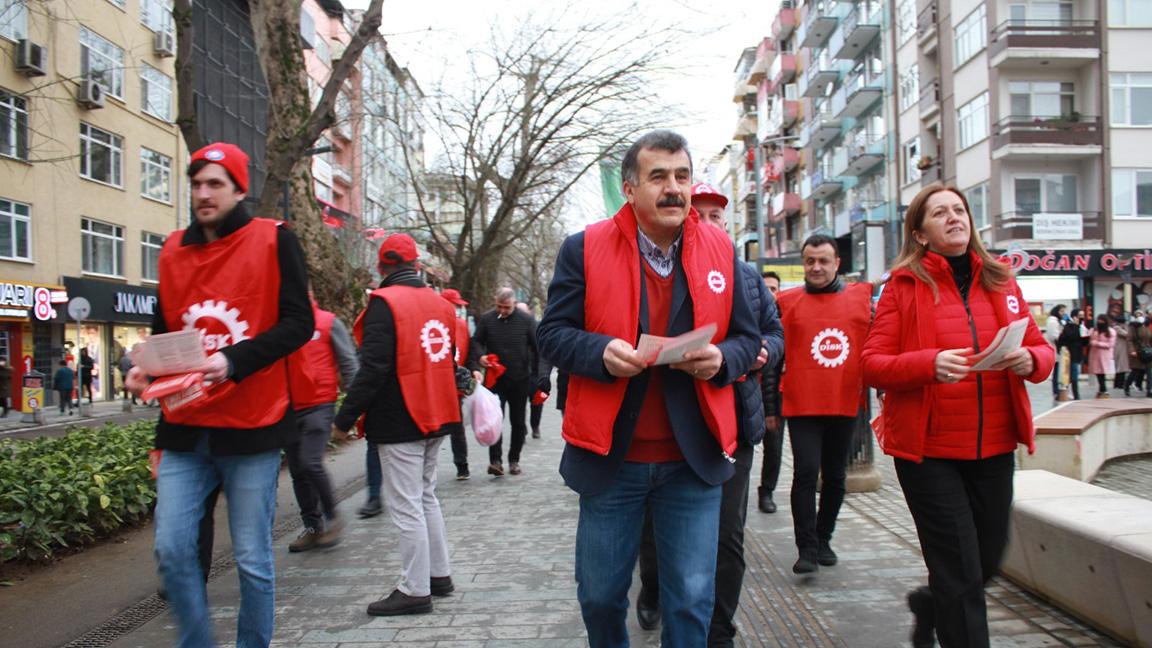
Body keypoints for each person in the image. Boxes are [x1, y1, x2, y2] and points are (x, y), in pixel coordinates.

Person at [537, 130, 761, 647]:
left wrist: (722, 360)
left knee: (691, 599)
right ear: (630, 187)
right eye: (658, 176)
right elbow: (551, 334)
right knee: (599, 595)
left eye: (681, 176)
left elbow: (750, 338)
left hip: (694, 458)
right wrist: (599, 354)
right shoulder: (584, 247)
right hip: (611, 457)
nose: (674, 189)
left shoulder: (722, 250)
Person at [125, 142, 314, 648]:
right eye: (196, 183)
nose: (203, 194)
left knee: (252, 558)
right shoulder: (171, 250)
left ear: (238, 188)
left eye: (215, 183)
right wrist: (141, 368)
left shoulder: (274, 240)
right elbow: (162, 330)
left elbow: (300, 324)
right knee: (171, 549)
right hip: (184, 427)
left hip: (252, 426)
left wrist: (233, 361)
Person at [861, 183, 1054, 648]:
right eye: (941, 212)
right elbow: (872, 363)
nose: (955, 217)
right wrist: (928, 364)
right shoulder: (902, 288)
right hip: (929, 452)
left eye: (960, 210)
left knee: (987, 560)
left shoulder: (1002, 281)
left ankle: (931, 604)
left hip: (993, 446)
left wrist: (1034, 362)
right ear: (921, 234)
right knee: (960, 572)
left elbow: (1039, 347)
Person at [633, 181, 784, 645]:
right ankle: (655, 589)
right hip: (671, 424)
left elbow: (774, 336)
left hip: (733, 424)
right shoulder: (656, 271)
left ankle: (719, 631)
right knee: (657, 527)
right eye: (702, 213)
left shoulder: (748, 276)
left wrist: (755, 353)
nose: (710, 222)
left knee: (726, 536)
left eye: (718, 215)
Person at [332, 233, 460, 617]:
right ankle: (439, 575)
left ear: (382, 266)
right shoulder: (441, 304)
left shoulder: (384, 304)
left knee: (406, 504)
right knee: (425, 496)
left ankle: (414, 589)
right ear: (415, 265)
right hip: (437, 411)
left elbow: (372, 369)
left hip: (400, 415)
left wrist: (344, 418)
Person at [776, 233, 871, 574]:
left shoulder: (862, 300)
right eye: (810, 261)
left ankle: (824, 537)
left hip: (844, 402)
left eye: (823, 261)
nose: (816, 267)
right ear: (803, 263)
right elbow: (774, 357)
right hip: (801, 404)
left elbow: (876, 347)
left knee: (834, 477)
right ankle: (806, 548)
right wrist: (772, 407)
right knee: (804, 474)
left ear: (837, 263)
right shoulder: (786, 303)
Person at [284, 297, 360, 552]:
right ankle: (313, 528)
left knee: (310, 462)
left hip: (319, 403)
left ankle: (332, 517)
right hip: (287, 407)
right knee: (297, 470)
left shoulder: (328, 322)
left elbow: (349, 364)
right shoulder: (280, 324)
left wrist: (354, 409)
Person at [472, 286, 539, 476]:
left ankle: (514, 460)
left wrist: (536, 375)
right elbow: (476, 341)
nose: (502, 311)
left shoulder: (526, 320)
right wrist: (480, 357)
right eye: (499, 306)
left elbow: (537, 348)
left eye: (506, 307)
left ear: (514, 305)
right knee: (494, 420)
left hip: (520, 379)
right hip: (495, 380)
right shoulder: (487, 319)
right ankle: (496, 461)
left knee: (518, 422)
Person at [440, 288, 479, 480]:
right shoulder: (435, 324)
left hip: (455, 385)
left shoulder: (462, 326)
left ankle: (462, 465)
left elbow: (470, 352)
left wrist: (474, 369)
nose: (456, 309)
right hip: (437, 384)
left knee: (457, 426)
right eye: (454, 305)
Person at [757, 270, 784, 514]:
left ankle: (767, 491)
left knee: (774, 448)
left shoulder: (783, 319)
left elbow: (775, 371)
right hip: (752, 398)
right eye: (764, 288)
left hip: (776, 398)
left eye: (774, 289)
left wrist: (773, 409)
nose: (769, 293)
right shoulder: (751, 315)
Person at [1057, 309, 1087, 400]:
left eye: (1083, 315)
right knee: (1072, 375)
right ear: (1074, 316)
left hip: (1077, 354)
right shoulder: (1069, 326)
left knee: (1074, 375)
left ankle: (1073, 394)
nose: (1081, 317)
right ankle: (1074, 395)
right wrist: (1076, 326)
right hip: (1069, 354)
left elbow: (1084, 342)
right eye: (1080, 315)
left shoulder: (1082, 327)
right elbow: (1068, 337)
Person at [1087, 315, 1116, 398]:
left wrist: (1096, 343)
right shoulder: (1093, 330)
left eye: (1102, 320)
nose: (1100, 322)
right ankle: (1102, 389)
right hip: (1095, 354)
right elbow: (1088, 339)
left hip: (1105, 355)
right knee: (1098, 373)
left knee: (1102, 373)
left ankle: (1103, 389)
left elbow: (1110, 344)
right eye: (1099, 320)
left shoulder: (1111, 331)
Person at [1043, 305, 1066, 397]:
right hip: (1056, 349)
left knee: (1057, 370)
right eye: (1061, 311)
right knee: (1056, 371)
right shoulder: (1053, 321)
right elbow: (1054, 336)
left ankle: (1057, 390)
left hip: (1057, 349)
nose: (1063, 313)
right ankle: (1056, 390)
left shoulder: (1057, 321)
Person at [1113, 313, 1130, 393]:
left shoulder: (1121, 326)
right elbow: (1126, 334)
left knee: (1122, 366)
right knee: (1120, 366)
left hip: (1123, 348)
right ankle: (1119, 383)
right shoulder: (1116, 327)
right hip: (1119, 348)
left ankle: (1119, 383)